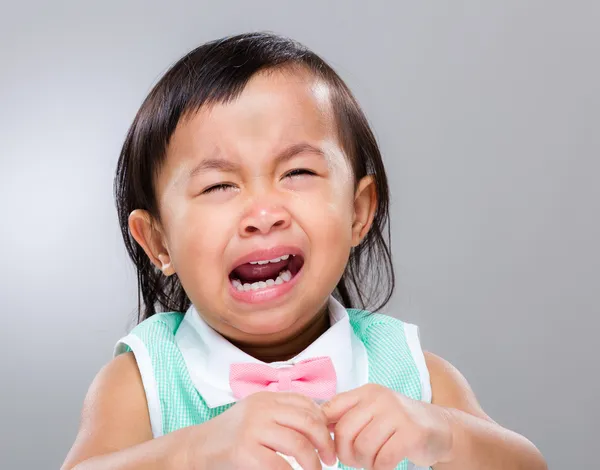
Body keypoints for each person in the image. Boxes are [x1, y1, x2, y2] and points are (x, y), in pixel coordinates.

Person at [62, 32, 547, 470]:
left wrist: (443, 437)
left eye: (297, 173)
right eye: (218, 185)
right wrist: (191, 452)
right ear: (158, 242)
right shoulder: (144, 378)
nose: (263, 212)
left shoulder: (408, 369)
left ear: (358, 212)